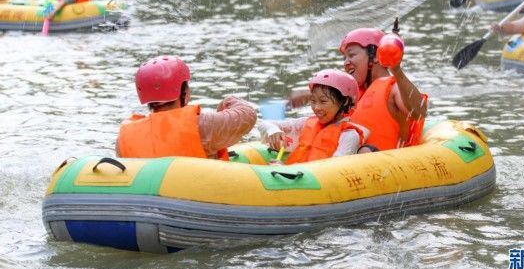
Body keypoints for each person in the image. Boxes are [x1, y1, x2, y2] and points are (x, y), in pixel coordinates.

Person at [116, 55, 257, 159]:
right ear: (184, 93)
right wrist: (228, 101)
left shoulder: (123, 137)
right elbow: (248, 115)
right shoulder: (202, 125)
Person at [340, 28, 428, 151]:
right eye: (344, 58)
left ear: (376, 56)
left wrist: (396, 70)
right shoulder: (352, 95)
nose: (346, 63)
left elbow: (419, 113)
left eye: (351, 55)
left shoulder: (393, 87)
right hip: (351, 165)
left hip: (386, 164)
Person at [258, 69, 368, 164]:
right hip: (293, 174)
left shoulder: (349, 135)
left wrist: (285, 169)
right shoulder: (306, 123)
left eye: (323, 101)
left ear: (345, 101)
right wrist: (273, 131)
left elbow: (334, 170)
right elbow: (264, 124)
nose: (316, 107)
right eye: (313, 101)